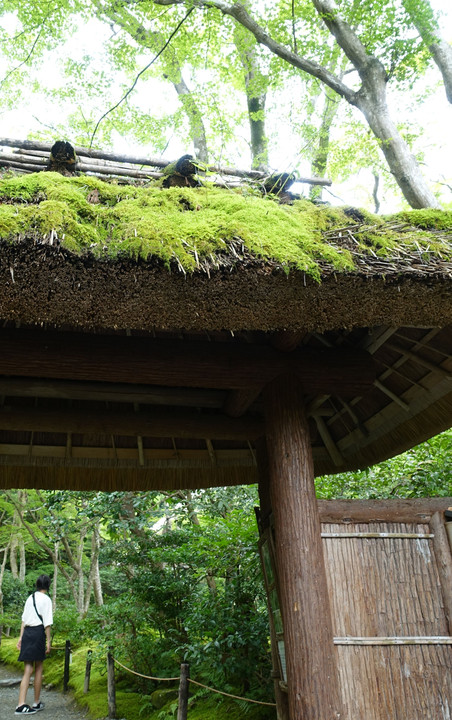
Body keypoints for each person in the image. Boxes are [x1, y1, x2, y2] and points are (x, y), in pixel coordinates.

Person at [15, 575, 53, 715]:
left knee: (27, 669)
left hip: (27, 633)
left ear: (37, 584)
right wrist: (48, 642)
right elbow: (47, 623)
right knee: (38, 668)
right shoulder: (47, 600)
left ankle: (25, 703)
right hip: (38, 633)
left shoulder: (30, 598)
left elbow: (24, 620)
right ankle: (26, 704)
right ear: (48, 585)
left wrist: (20, 637)